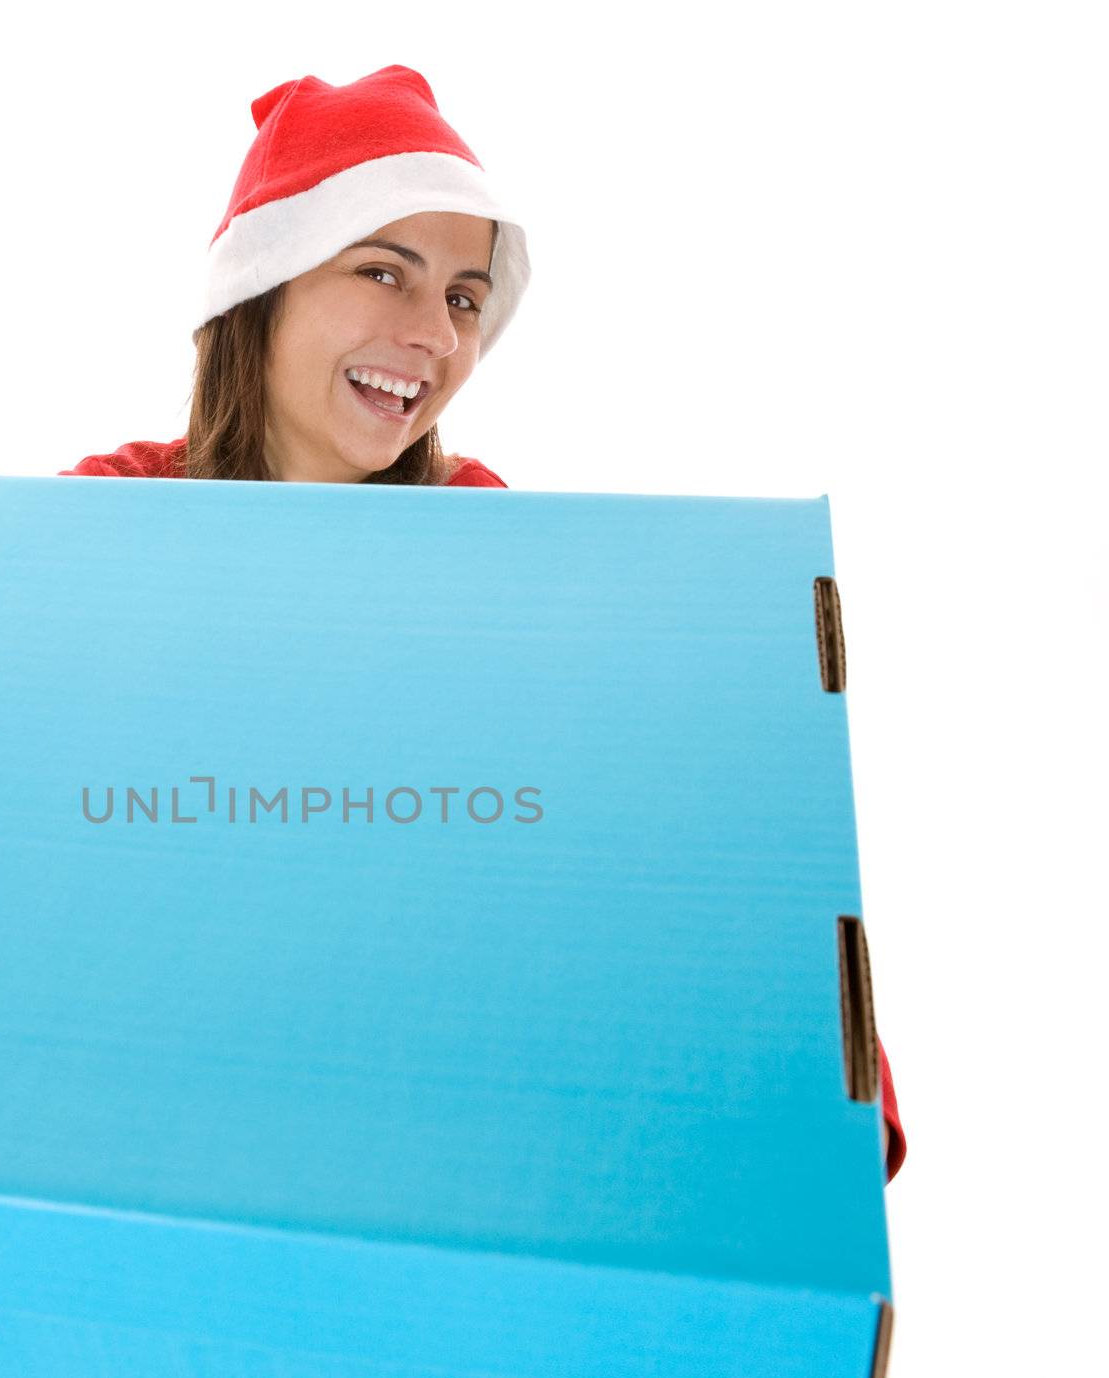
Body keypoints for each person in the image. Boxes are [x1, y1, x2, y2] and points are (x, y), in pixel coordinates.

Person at [60, 64, 906, 1182]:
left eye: (463, 297)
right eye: (383, 272)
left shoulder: (484, 537)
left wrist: (833, 1085)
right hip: (162, 1092)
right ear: (260, 286)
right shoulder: (105, 513)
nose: (435, 336)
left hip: (386, 1106)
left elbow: (649, 801)